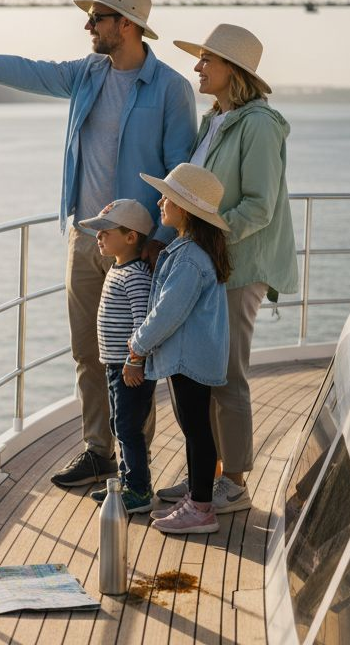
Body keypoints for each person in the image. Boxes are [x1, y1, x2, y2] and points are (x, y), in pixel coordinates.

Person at [0, 0, 196, 487]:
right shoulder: (85, 75)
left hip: (137, 248)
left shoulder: (171, 89)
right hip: (85, 239)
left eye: (97, 18)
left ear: (125, 24)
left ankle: (136, 465)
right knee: (88, 351)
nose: (87, 26)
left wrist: (160, 243)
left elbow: (180, 172)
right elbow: (26, 71)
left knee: (137, 355)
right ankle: (97, 451)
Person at [153, 25, 298, 513]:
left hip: (238, 266)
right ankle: (205, 475)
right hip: (211, 264)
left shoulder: (258, 125)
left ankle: (232, 482)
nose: (197, 67)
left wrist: (202, 239)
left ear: (232, 71)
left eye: (206, 60)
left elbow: (259, 206)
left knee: (226, 375)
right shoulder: (216, 118)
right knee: (201, 371)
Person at [128, 163, 232, 535]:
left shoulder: (188, 258)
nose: (159, 202)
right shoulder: (191, 250)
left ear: (184, 208)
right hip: (190, 356)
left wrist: (138, 344)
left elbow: (168, 311)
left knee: (196, 429)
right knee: (194, 428)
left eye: (166, 197)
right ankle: (196, 495)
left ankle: (202, 509)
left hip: (188, 358)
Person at [79, 199, 157, 513]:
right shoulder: (118, 268)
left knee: (128, 428)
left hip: (129, 368)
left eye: (105, 232)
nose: (98, 237)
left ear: (130, 237)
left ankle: (139, 490)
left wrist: (135, 360)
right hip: (115, 366)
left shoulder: (136, 275)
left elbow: (143, 322)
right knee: (119, 424)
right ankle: (127, 483)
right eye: (97, 232)